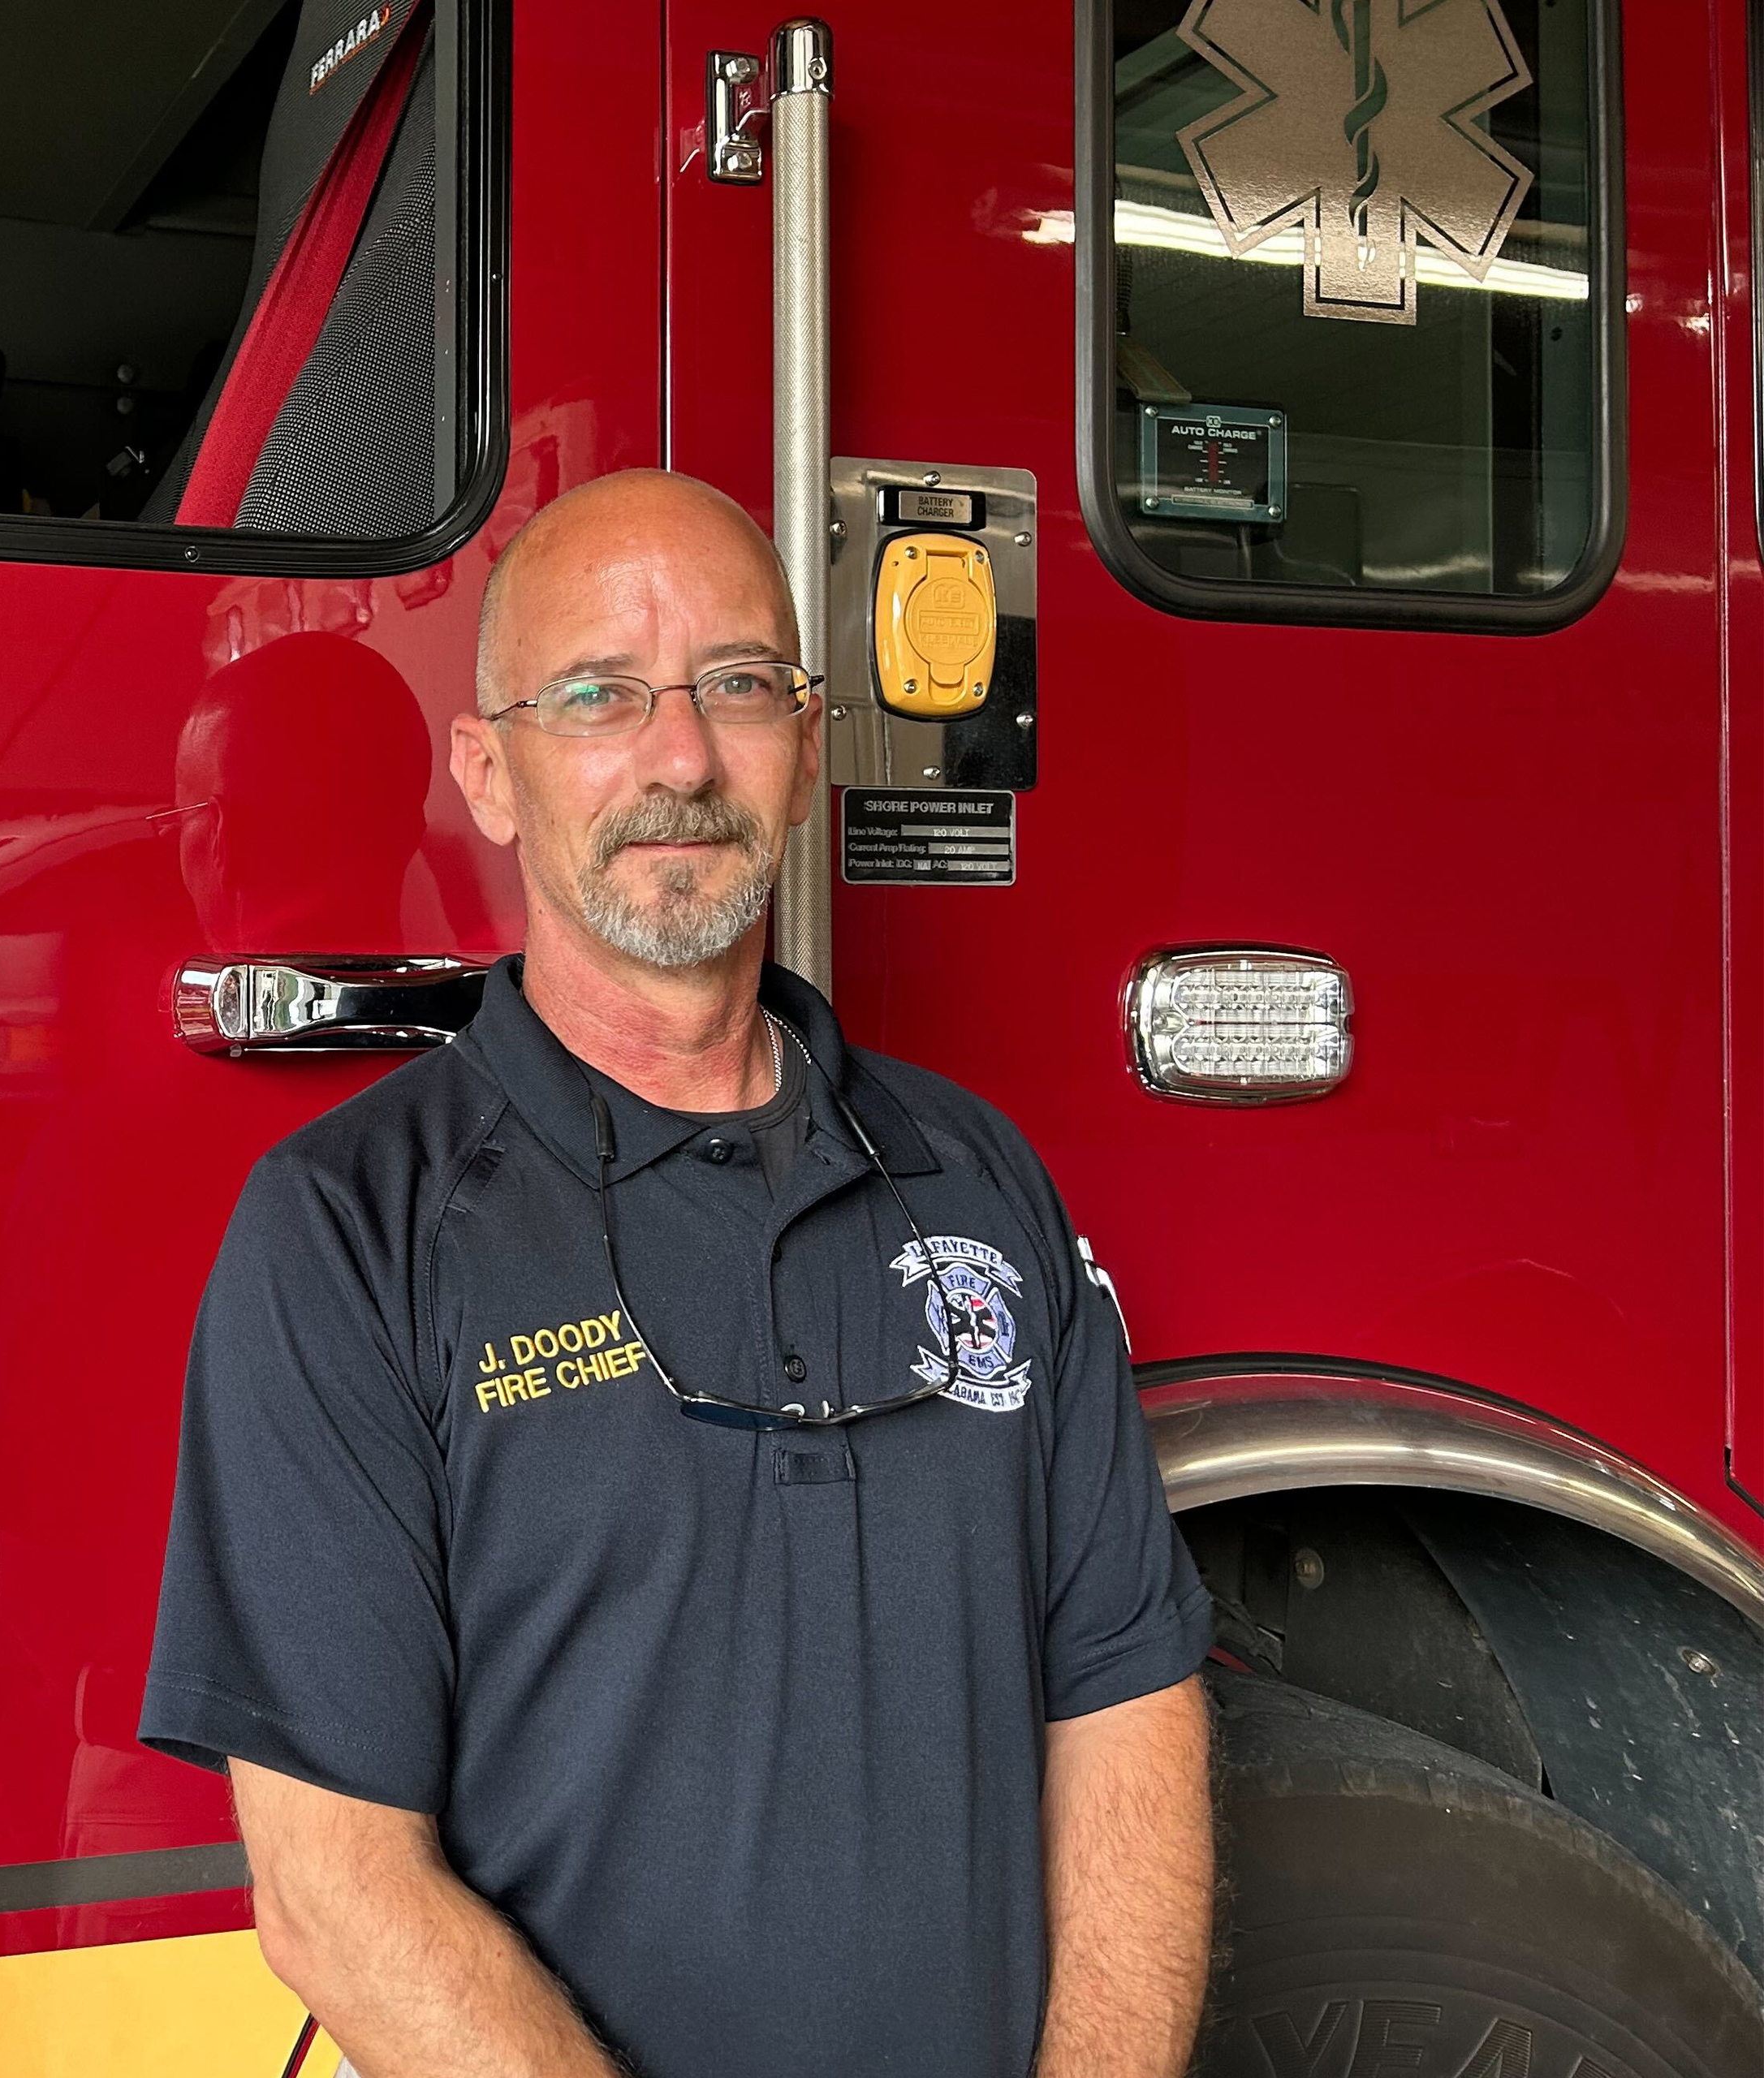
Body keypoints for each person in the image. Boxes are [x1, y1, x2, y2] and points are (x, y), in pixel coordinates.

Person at [140, 470, 1215, 2078]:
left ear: (803, 754)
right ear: (489, 775)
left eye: (738, 686)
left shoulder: (981, 1184)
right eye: (600, 696)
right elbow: (335, 1888)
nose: (681, 756)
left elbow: (1125, 1703)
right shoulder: (347, 1227)